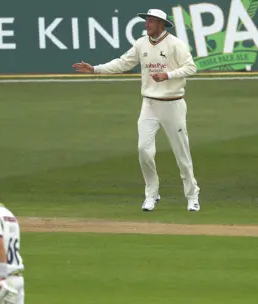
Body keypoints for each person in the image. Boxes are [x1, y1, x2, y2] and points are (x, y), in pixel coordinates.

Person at [72, 8, 200, 212]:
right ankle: (152, 194)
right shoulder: (141, 44)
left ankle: (192, 195)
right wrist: (95, 69)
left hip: (173, 104)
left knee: (181, 153)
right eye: (146, 20)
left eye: (150, 21)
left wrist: (168, 75)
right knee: (144, 150)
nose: (146, 24)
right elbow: (123, 63)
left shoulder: (175, 44)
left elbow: (191, 67)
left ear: (161, 24)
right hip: (149, 104)